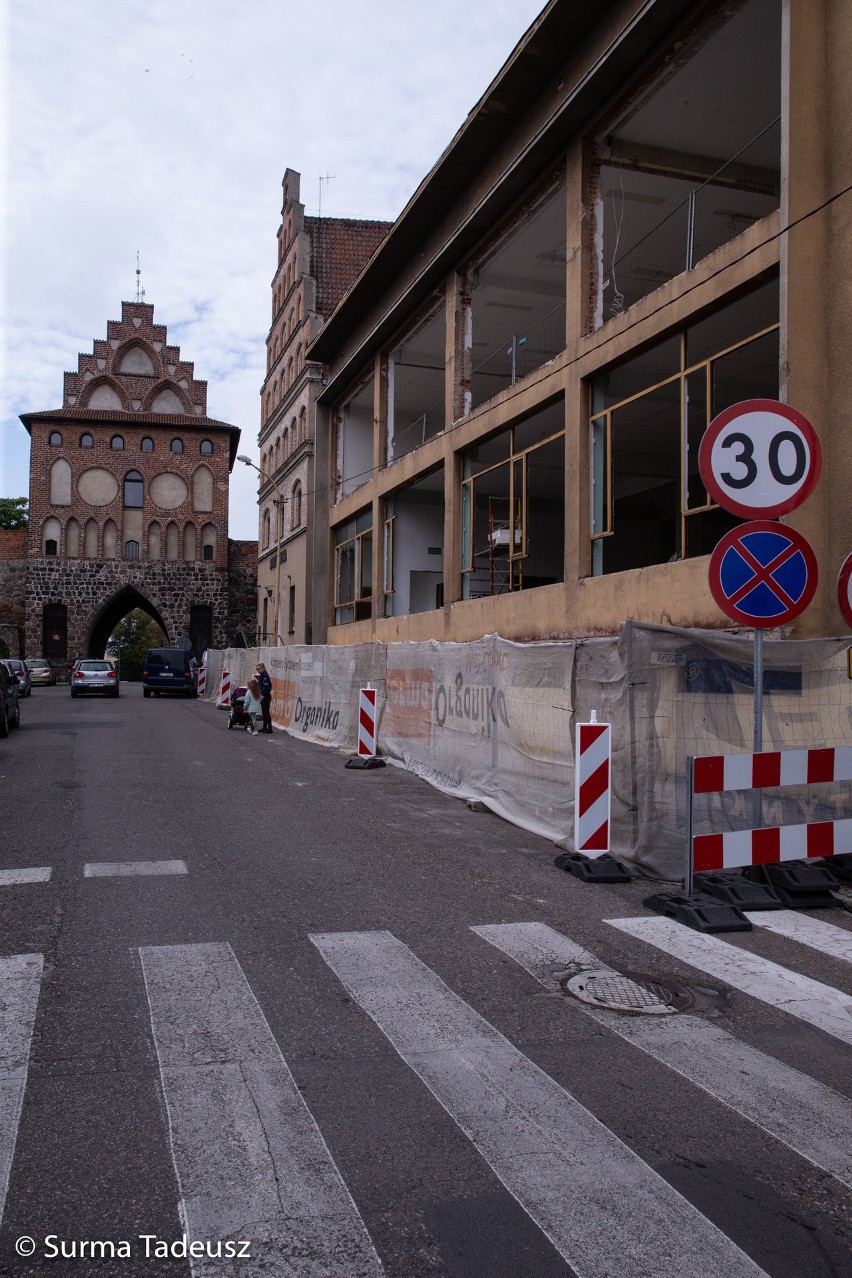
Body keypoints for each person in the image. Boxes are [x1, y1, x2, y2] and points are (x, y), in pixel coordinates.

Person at [256, 661, 273, 733]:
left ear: (263, 668)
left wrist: (262, 694)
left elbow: (267, 687)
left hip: (265, 696)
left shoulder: (265, 676)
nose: (258, 671)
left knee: (266, 712)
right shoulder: (262, 676)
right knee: (264, 712)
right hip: (263, 696)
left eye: (259, 669)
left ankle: (269, 728)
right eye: (257, 669)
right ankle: (264, 727)